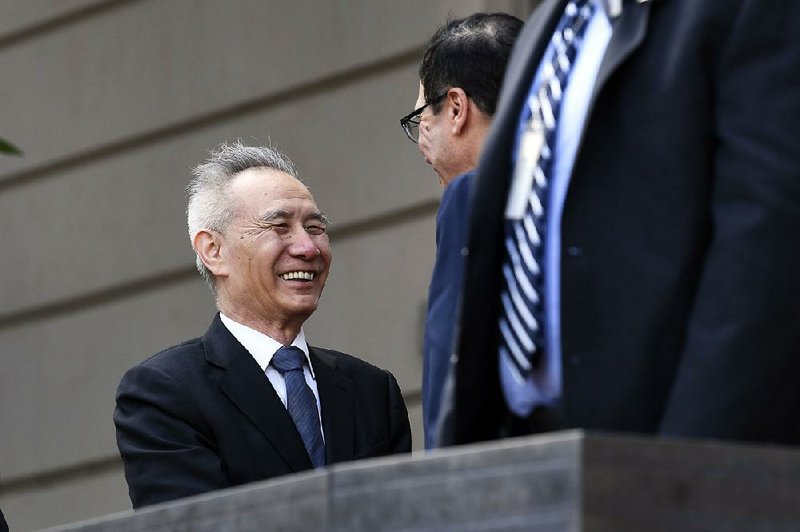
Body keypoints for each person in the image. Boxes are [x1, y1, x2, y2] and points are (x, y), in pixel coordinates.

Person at [438, 0, 800, 447]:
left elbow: (765, 246)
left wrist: (686, 468)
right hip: (521, 460)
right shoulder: (546, 28)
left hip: (661, 459)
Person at [114, 142, 412, 508]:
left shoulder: (371, 390)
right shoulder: (165, 392)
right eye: (279, 227)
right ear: (213, 251)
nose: (308, 247)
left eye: (315, 227)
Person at [400, 13, 523, 448]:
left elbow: (451, 378)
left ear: (455, 108)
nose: (421, 143)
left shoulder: (469, 197)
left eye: (420, 117)